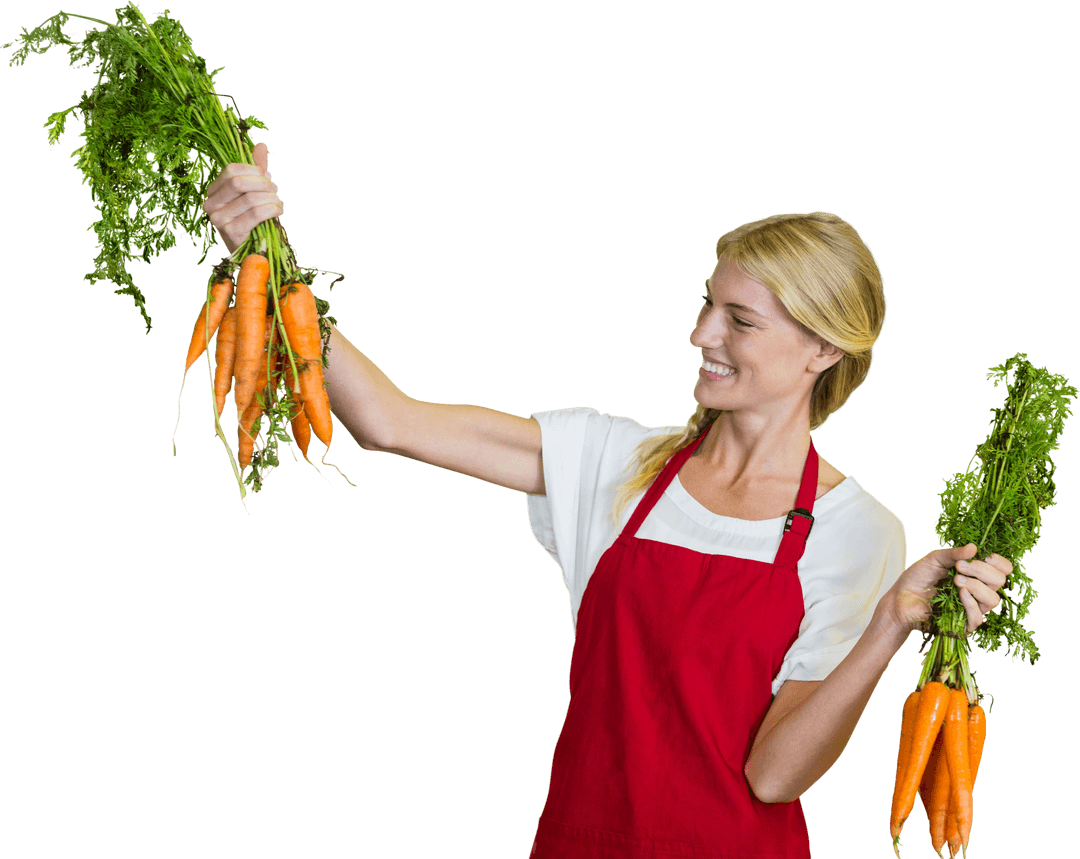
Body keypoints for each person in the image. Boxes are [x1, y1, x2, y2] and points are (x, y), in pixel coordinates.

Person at [203, 144, 1012, 858]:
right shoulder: (617, 461)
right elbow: (389, 422)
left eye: (740, 320)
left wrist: (888, 628)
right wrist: (268, 261)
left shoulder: (856, 530)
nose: (701, 333)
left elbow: (773, 777)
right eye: (705, 303)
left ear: (823, 348)